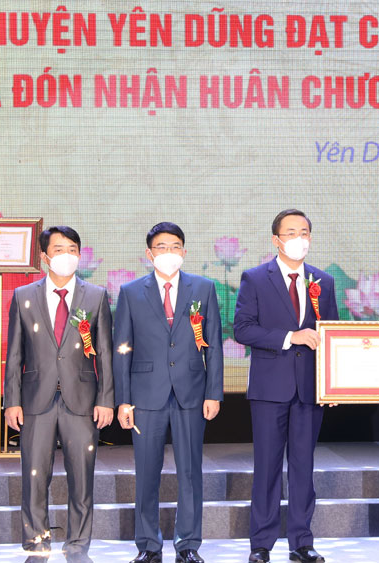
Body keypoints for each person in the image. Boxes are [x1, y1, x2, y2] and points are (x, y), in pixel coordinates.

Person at [114, 222, 224, 563]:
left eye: (175, 246)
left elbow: (214, 344)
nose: (169, 252)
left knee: (190, 471)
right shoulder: (131, 292)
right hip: (146, 395)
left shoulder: (203, 288)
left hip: (191, 392)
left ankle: (188, 544)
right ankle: (148, 545)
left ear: (184, 252)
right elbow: (122, 349)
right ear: (149, 254)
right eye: (161, 247)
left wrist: (214, 393)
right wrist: (123, 400)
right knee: (147, 472)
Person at [4, 226, 115, 563]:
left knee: (82, 477)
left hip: (82, 400)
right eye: (59, 249)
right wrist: (12, 402)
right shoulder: (23, 296)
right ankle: (37, 544)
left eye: (72, 249)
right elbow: (14, 354)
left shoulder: (96, 296)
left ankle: (78, 546)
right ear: (44, 257)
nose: (66, 255)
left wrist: (106, 399)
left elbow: (105, 353)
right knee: (35, 477)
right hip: (35, 400)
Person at [233, 209, 338, 563]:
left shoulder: (324, 281)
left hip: (310, 390)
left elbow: (332, 336)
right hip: (269, 390)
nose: (298, 238)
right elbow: (243, 329)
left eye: (304, 232)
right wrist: (291, 337)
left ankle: (301, 542)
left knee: (303, 468)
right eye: (291, 232)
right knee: (267, 467)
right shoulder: (255, 278)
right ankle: (261, 544)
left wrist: (333, 384)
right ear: (276, 239)